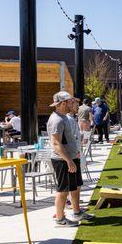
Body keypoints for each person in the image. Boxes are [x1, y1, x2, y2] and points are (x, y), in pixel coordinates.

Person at [47, 91, 94, 227]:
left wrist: (75, 154)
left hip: (71, 158)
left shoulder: (64, 117)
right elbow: (56, 143)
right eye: (70, 101)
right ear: (63, 103)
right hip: (63, 160)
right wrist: (68, 160)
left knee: (74, 187)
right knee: (63, 190)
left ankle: (77, 212)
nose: (73, 103)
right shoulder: (57, 119)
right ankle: (60, 219)